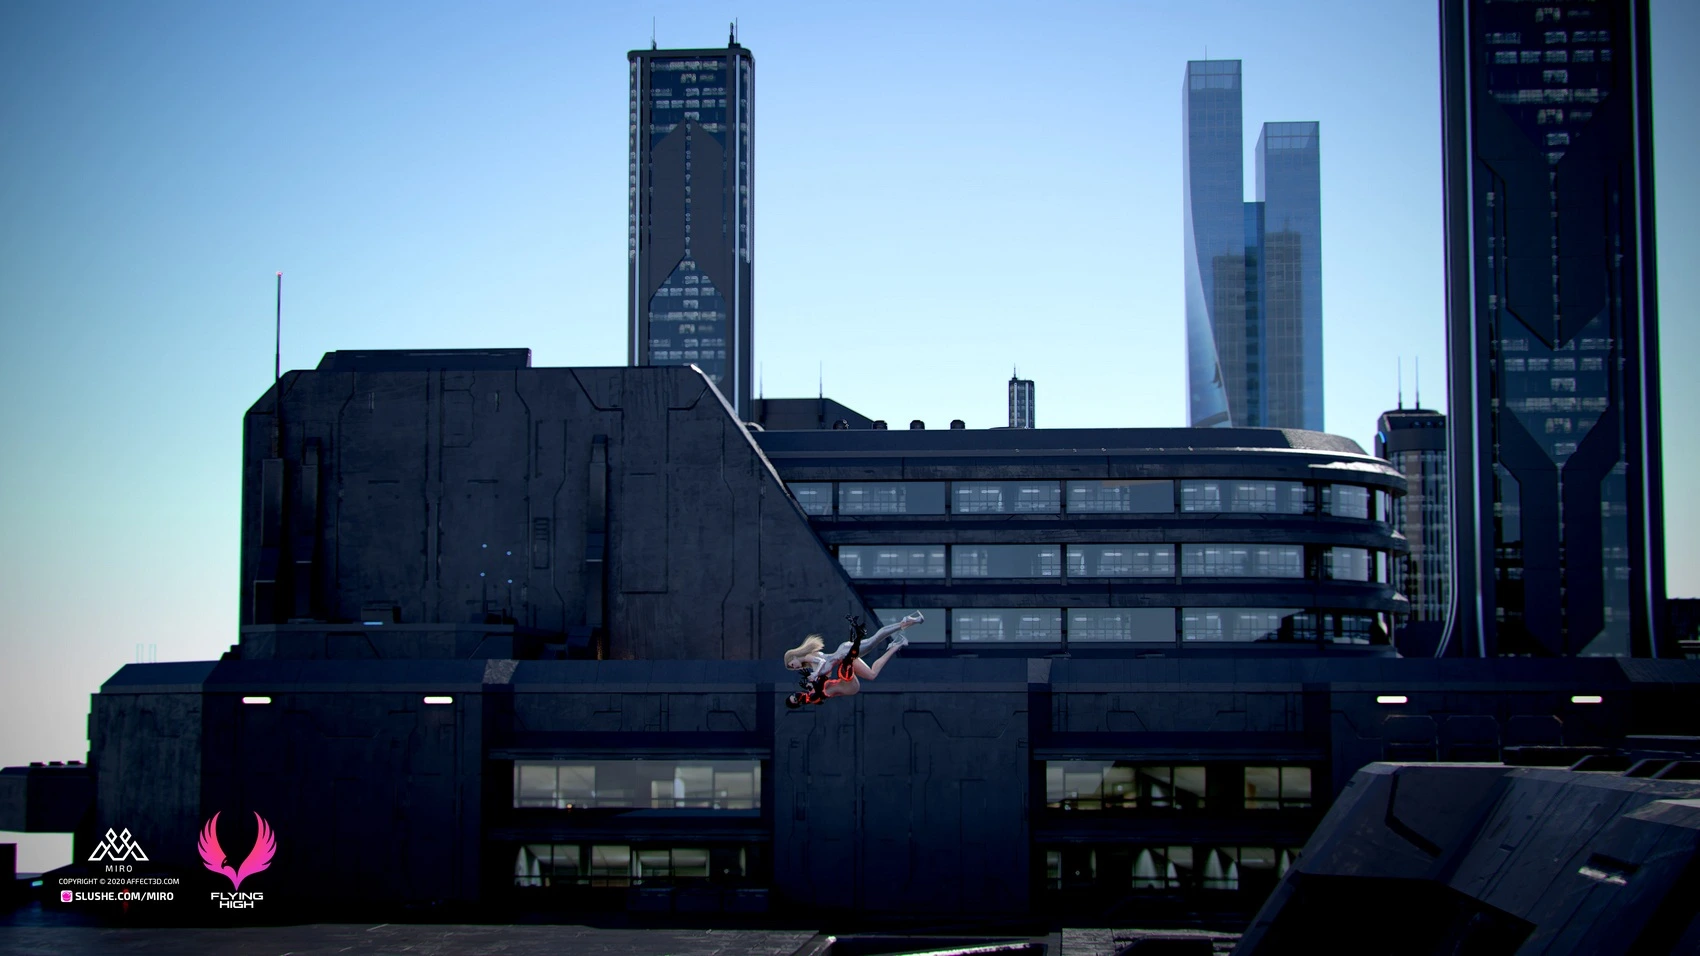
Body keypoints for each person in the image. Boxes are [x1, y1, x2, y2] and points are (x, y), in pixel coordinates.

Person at [783, 612, 923, 708]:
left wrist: (814, 676)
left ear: (794, 656)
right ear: (798, 704)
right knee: (871, 674)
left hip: (844, 658)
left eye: (792, 665)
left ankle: (903, 622)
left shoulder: (811, 660)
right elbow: (821, 688)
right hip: (845, 663)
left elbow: (823, 666)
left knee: (874, 640)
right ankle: (896, 644)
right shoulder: (813, 695)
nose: (795, 667)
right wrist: (812, 680)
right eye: (796, 699)